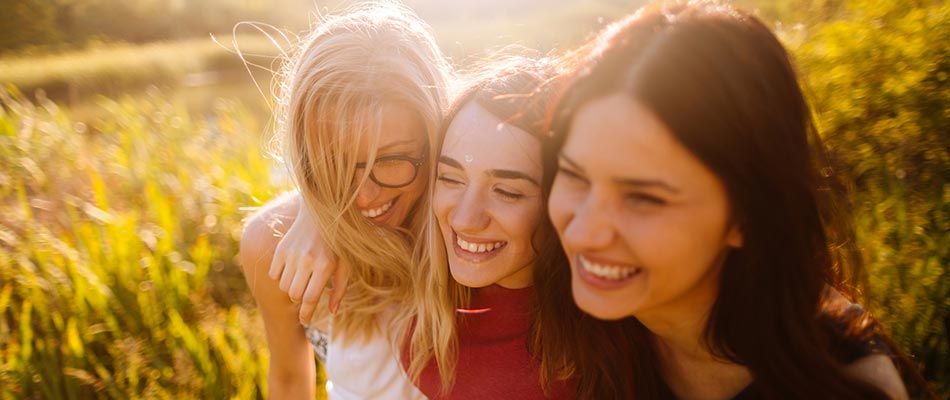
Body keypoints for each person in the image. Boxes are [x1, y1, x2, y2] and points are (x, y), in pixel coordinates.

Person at [544, 2, 915, 399]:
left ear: (748, 214)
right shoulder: (587, 313)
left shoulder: (845, 387)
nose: (584, 231)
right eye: (575, 176)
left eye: (642, 198)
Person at [239, 2, 450, 398]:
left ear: (433, 135)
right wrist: (319, 211)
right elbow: (288, 379)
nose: (365, 195)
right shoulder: (273, 245)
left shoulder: (467, 229)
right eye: (334, 163)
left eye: (391, 159)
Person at [402, 59, 578, 399]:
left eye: (507, 192)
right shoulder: (419, 295)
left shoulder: (605, 348)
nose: (466, 220)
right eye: (451, 179)